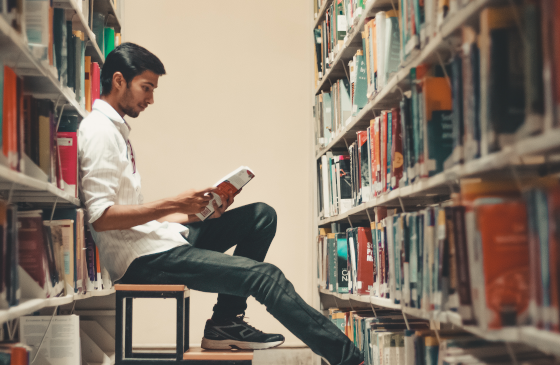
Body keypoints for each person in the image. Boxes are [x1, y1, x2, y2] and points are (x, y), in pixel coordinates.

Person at [77, 42, 364, 365]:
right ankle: (350, 359)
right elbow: (101, 218)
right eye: (146, 88)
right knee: (265, 276)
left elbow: (133, 214)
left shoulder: (116, 131)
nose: (151, 99)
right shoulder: (99, 132)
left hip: (155, 241)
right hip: (141, 260)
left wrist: (195, 212)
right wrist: (172, 202)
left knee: (261, 216)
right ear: (118, 81)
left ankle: (224, 323)